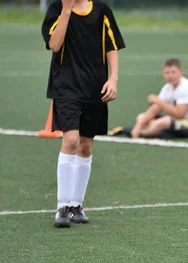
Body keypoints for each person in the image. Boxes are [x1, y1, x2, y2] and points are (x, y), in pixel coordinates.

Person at [42, 0, 125, 228]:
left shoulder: (102, 9)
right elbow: (55, 45)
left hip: (95, 86)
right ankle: (62, 207)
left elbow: (112, 45)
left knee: (86, 145)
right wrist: (67, 10)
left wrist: (113, 78)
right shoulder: (57, 8)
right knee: (70, 140)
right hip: (65, 87)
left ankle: (77, 205)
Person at [112, 58, 188, 139]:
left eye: (173, 72)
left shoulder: (185, 88)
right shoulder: (168, 88)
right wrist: (139, 124)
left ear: (181, 72)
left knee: (164, 121)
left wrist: (158, 101)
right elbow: (154, 110)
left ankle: (138, 133)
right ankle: (155, 132)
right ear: (163, 74)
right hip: (179, 122)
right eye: (167, 72)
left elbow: (180, 114)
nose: (170, 75)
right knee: (142, 117)